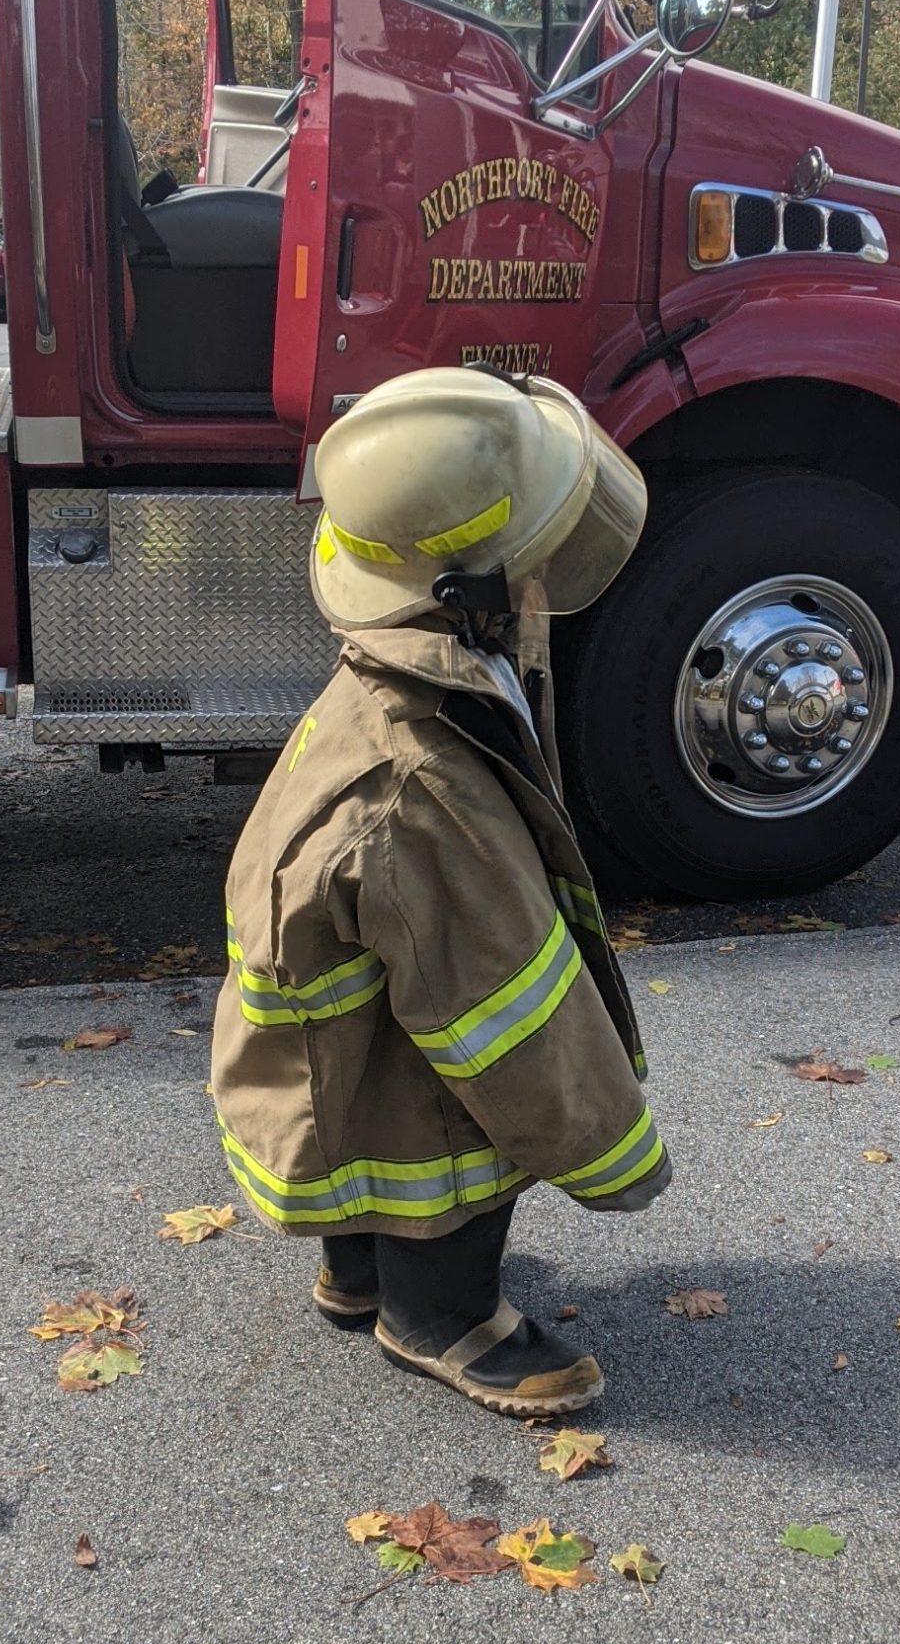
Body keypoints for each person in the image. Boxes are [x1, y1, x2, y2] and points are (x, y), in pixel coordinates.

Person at [209, 365, 670, 1416]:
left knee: (377, 1073)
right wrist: (609, 1149)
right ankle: (441, 1317)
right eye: (534, 556)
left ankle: (359, 1266)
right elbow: (505, 1011)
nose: (551, 568)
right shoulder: (423, 786)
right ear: (468, 584)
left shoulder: (399, 661)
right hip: (370, 1069)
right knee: (464, 1110)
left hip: (325, 1066)